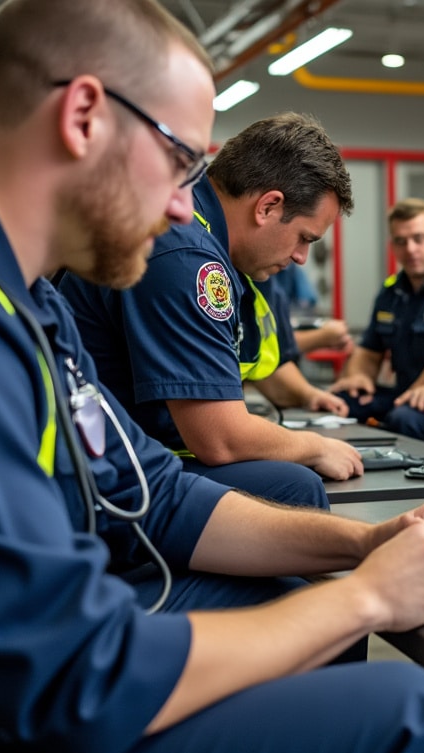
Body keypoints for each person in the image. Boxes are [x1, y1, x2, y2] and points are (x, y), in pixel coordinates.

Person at [0, 1, 424, 753]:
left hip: (42, 657)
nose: (184, 205)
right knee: (409, 711)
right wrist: (368, 596)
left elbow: (161, 494)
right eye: (179, 162)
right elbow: (74, 677)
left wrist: (365, 544)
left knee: (301, 608)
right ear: (83, 116)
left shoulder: (21, 291)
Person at [61, 112, 363, 509]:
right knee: (297, 485)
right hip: (104, 476)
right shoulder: (189, 257)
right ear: (268, 206)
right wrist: (313, 447)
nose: (302, 257)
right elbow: (220, 439)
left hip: (125, 449)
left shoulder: (206, 240)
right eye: (304, 238)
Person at [330, 198, 424, 442]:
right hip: (408, 394)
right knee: (342, 402)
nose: (410, 249)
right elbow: (369, 350)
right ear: (393, 245)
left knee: (404, 418)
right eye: (401, 241)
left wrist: (411, 396)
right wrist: (359, 377)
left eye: (419, 238)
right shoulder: (391, 290)